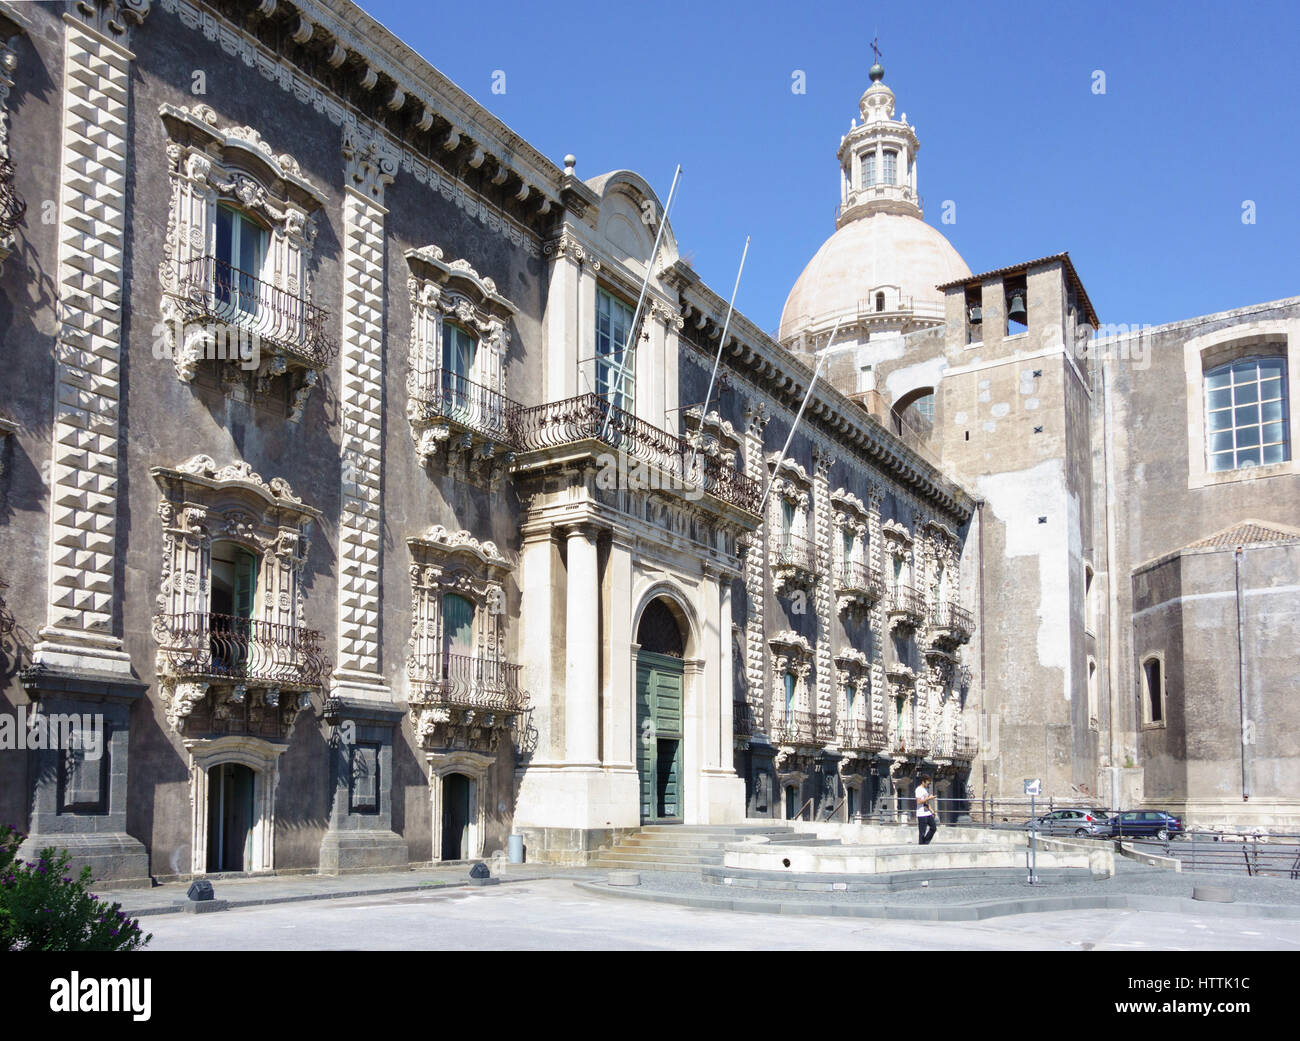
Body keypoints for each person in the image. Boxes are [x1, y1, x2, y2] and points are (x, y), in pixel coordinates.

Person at [916, 774, 937, 845]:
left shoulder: (925, 790)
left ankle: (925, 842)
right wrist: (929, 798)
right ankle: (922, 845)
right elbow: (919, 802)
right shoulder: (918, 790)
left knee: (933, 828)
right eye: (927, 783)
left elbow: (926, 802)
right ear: (923, 782)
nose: (928, 785)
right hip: (921, 813)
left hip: (927, 813)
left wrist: (932, 811)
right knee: (922, 832)